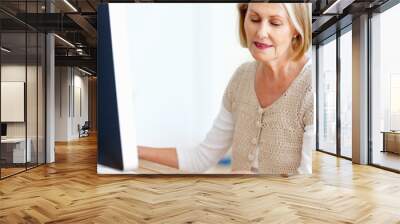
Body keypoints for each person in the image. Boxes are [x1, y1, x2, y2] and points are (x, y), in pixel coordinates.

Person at [138, 3, 314, 175]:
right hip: (238, 202)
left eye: (275, 23)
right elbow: (201, 158)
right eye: (254, 19)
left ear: (296, 29)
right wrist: (133, 151)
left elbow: (307, 183)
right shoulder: (241, 77)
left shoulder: (311, 85)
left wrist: (251, 182)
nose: (261, 32)